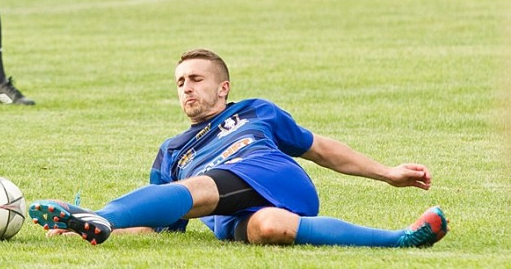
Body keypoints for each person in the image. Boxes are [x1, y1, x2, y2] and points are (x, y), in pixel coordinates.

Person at [29, 48, 448, 248]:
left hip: (272, 176)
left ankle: (98, 213)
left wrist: (388, 172)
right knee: (271, 230)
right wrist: (81, 229)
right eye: (180, 82)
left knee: (204, 186)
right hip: (231, 215)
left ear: (223, 87)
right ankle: (402, 241)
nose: (187, 87)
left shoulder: (254, 112)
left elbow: (320, 148)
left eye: (196, 78)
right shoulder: (171, 152)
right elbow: (161, 222)